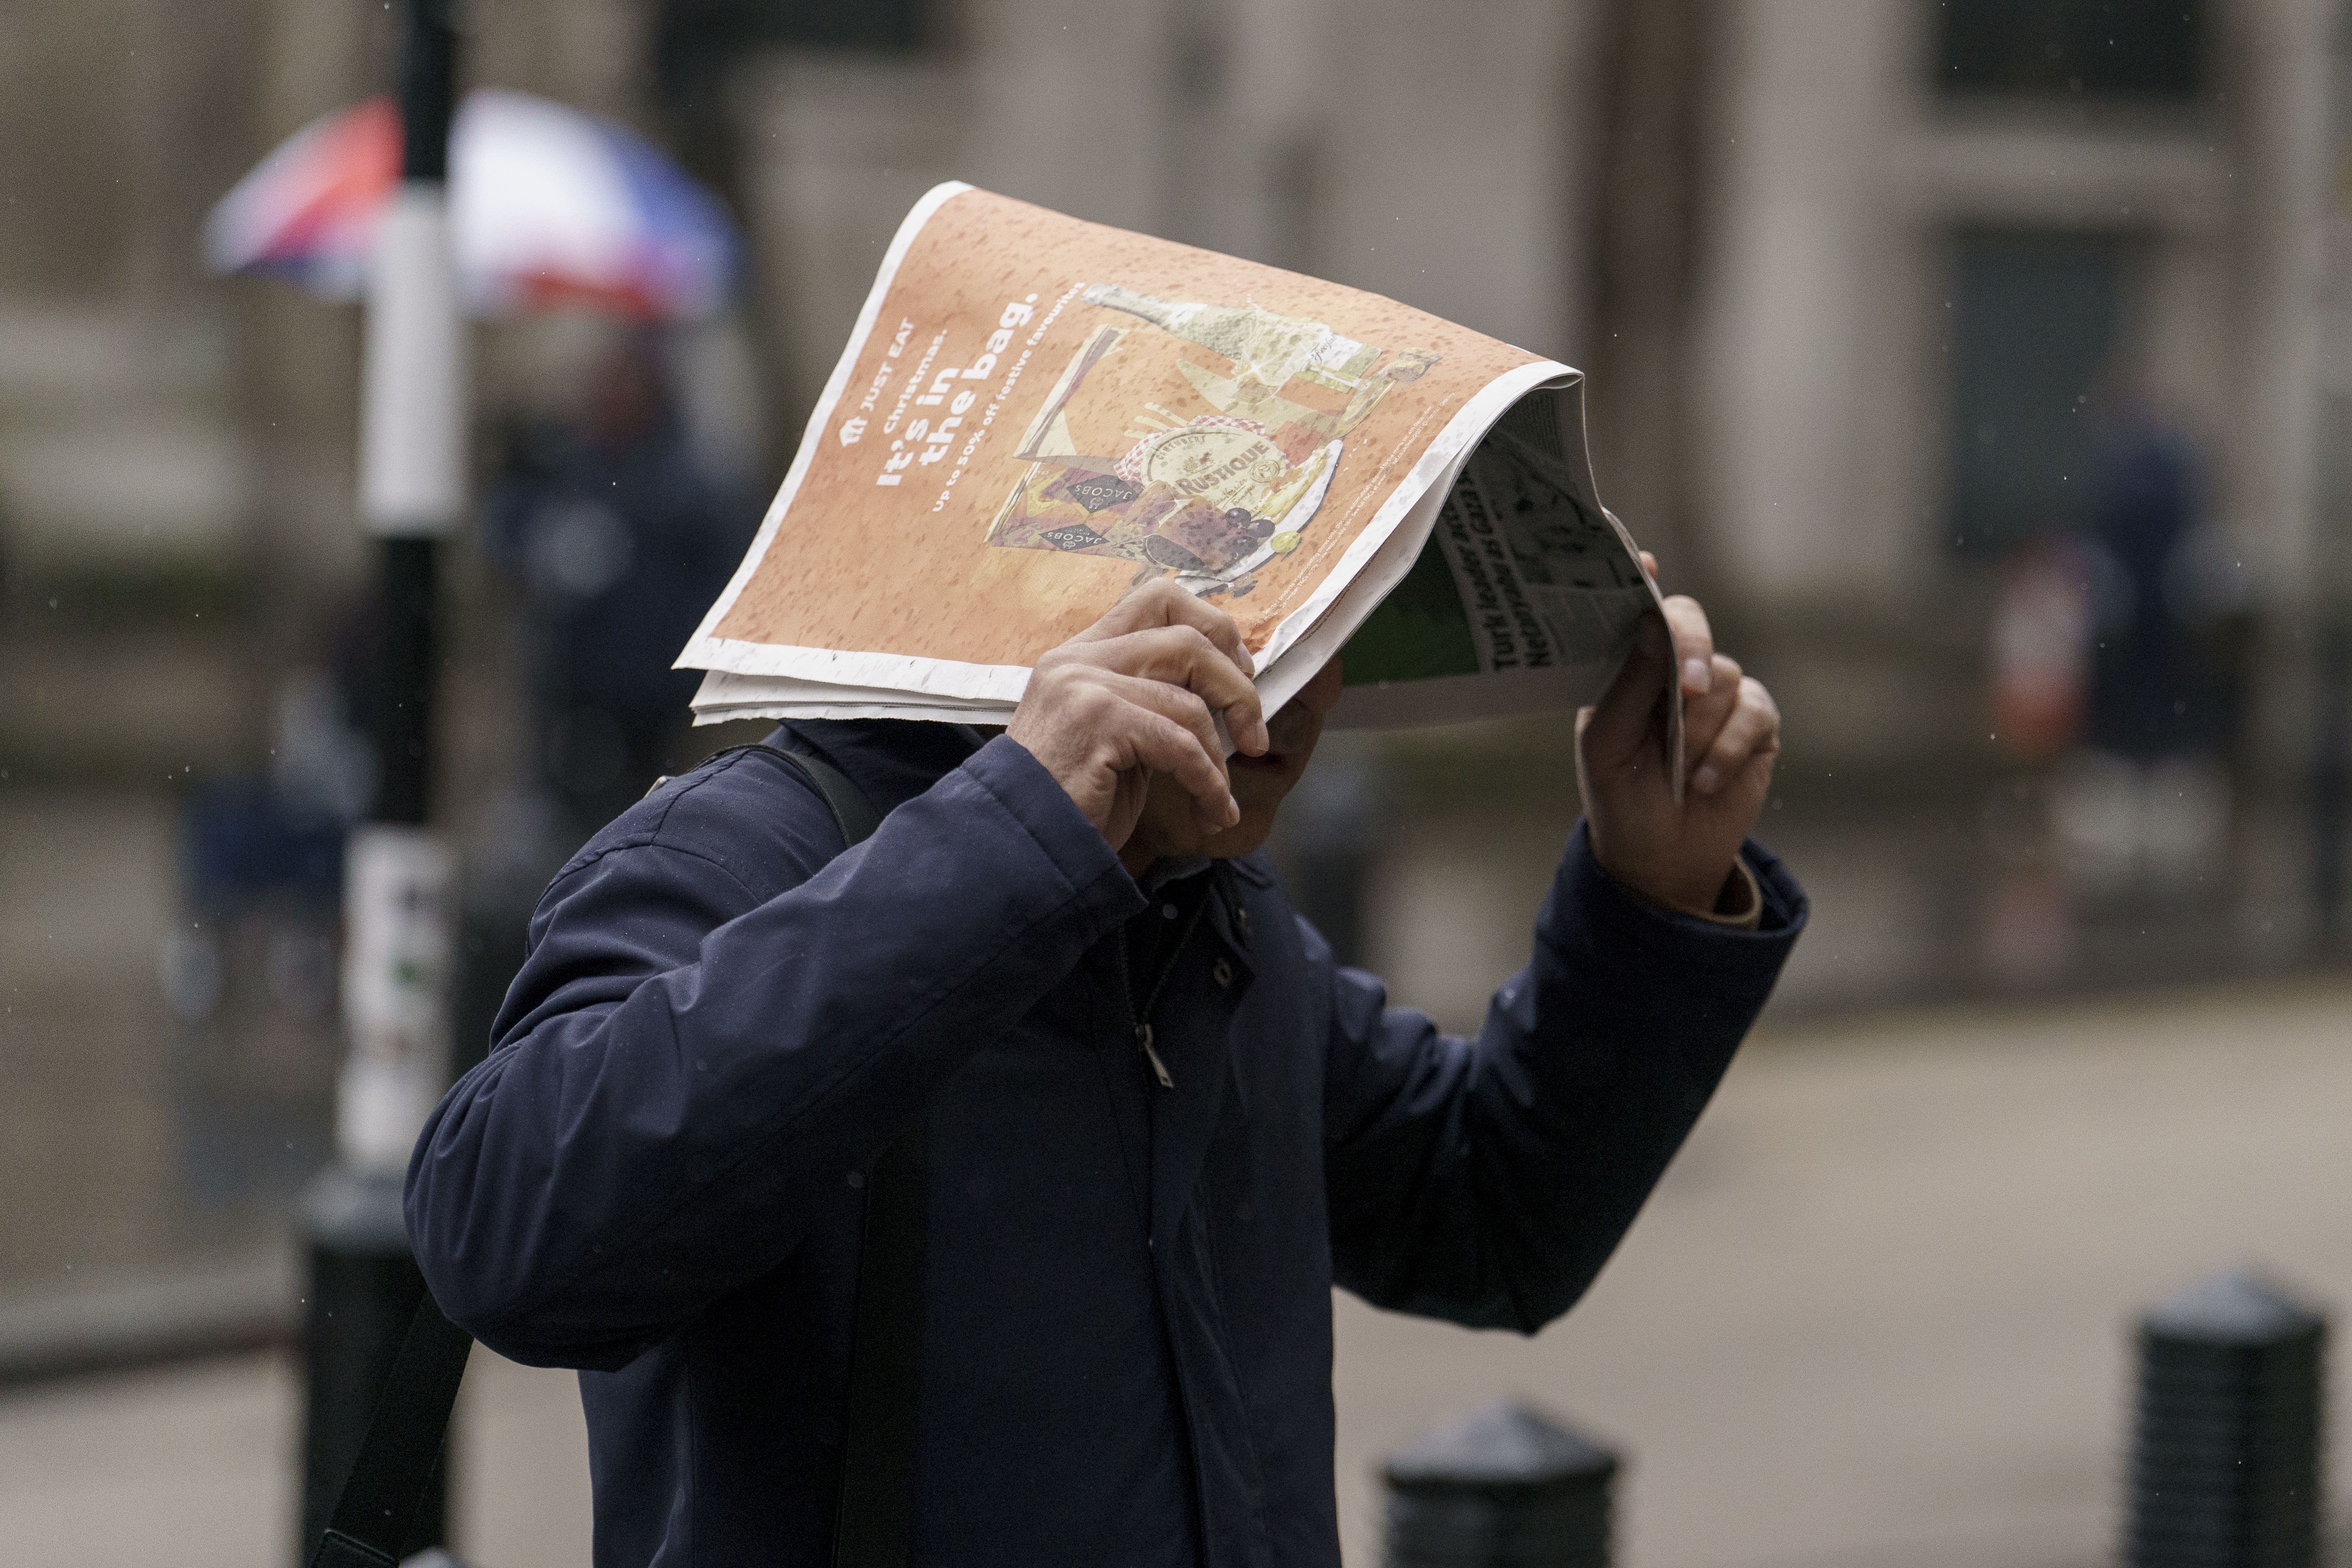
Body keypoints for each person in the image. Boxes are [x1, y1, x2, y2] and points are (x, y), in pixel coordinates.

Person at [405, 573, 1804, 1567]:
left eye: (1328, 623)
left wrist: (1652, 893)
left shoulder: (1215, 912)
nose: (1287, 693)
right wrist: (1017, 839)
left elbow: (1488, 1214)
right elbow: (507, 1233)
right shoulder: (739, 855)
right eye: (1239, 618)